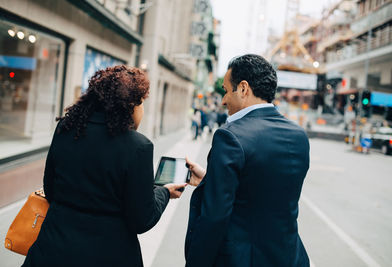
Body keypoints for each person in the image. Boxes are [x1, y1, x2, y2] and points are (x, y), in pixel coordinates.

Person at [23, 65, 186, 267]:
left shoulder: (65, 128)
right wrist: (163, 192)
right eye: (142, 103)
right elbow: (142, 219)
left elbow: (51, 189)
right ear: (132, 105)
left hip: (52, 250)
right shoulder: (138, 147)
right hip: (107, 256)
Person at [185, 54, 310, 267]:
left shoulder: (230, 136)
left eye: (225, 90)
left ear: (243, 89)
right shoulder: (298, 135)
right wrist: (211, 178)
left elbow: (214, 218)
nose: (223, 100)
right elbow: (262, 190)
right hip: (289, 257)